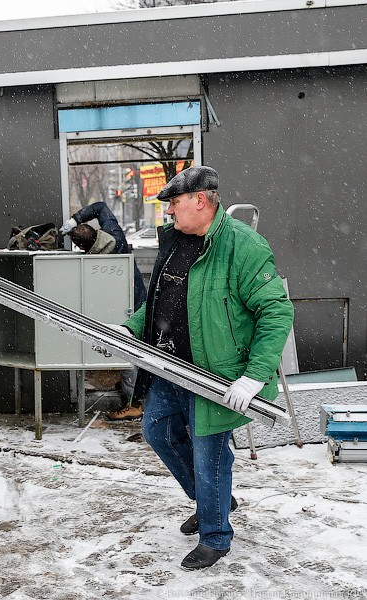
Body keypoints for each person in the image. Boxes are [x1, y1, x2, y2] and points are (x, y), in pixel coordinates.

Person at [120, 165, 293, 570]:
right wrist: (128, 327)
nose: (170, 213)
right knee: (157, 430)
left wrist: (253, 375)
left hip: (216, 374)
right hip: (171, 363)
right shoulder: (179, 242)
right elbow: (160, 298)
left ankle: (215, 536)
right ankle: (212, 497)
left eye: (175, 204)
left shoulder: (243, 247)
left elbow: (275, 311)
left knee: (208, 453)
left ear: (201, 201)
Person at [61, 202, 147, 420]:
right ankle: (133, 392)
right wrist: (76, 219)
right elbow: (101, 207)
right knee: (131, 353)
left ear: (82, 248)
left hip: (126, 307)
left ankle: (134, 404)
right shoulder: (114, 235)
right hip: (137, 301)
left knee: (128, 354)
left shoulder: (93, 263)